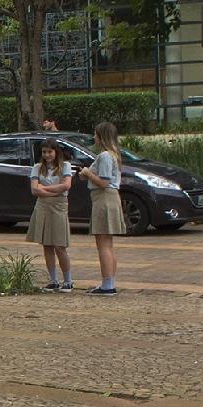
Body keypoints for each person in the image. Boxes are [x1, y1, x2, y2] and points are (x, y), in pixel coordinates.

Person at [79, 120, 126, 294]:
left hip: (104, 198)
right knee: (108, 243)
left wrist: (87, 173)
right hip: (108, 198)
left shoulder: (105, 156)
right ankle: (109, 282)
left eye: (95, 134)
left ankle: (107, 285)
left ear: (101, 136)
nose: (93, 137)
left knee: (103, 243)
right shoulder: (114, 155)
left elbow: (104, 182)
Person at [27, 140, 75, 292]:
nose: (47, 155)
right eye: (44, 152)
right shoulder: (37, 167)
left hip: (59, 206)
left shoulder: (65, 166)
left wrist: (45, 188)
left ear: (56, 152)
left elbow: (66, 186)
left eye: (50, 152)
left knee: (60, 245)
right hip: (42, 206)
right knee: (46, 244)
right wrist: (54, 189)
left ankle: (68, 281)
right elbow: (34, 190)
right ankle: (53, 280)